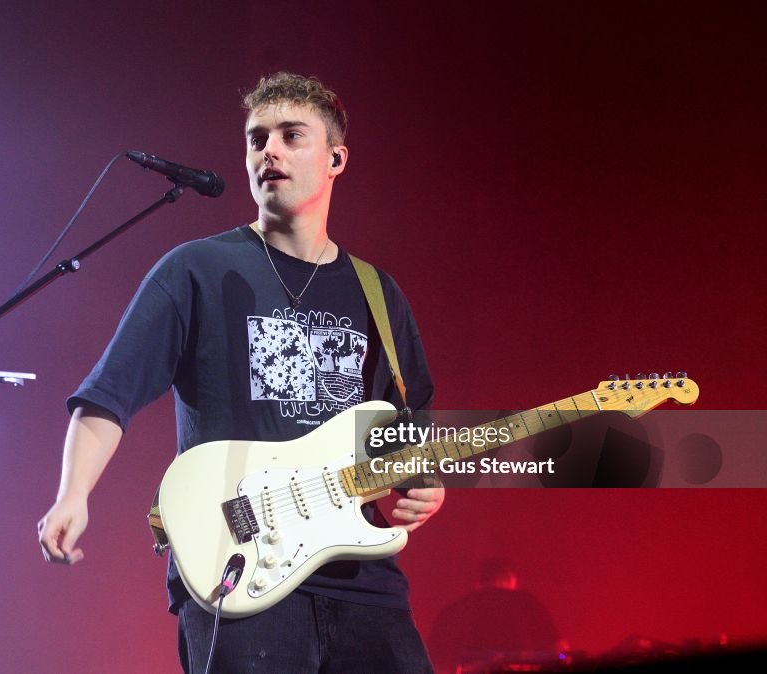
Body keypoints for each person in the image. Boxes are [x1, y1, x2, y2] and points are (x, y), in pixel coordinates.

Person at [38, 72, 444, 673]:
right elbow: (108, 394)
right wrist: (73, 493)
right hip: (238, 568)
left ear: (336, 158)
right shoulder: (197, 269)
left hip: (361, 580)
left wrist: (424, 487)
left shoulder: (377, 294)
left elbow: (412, 428)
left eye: (290, 135)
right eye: (257, 139)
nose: (269, 151)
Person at [427, 558, 568, 674]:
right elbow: (560, 649)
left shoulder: (460, 607)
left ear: (480, 583)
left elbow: (433, 655)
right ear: (510, 578)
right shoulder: (527, 602)